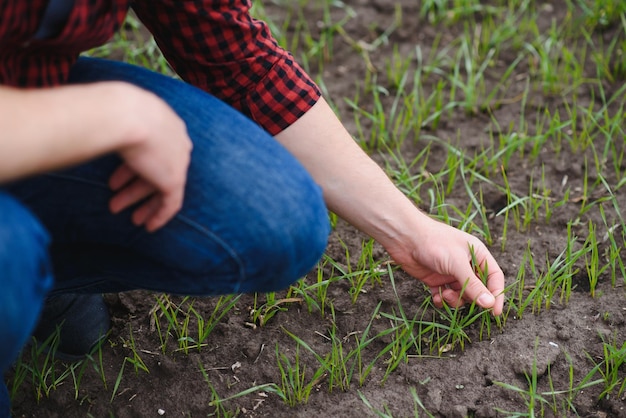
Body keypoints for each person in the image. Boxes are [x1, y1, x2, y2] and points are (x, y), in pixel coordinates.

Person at [0, 1, 505, 416]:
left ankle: (48, 270)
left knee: (275, 216)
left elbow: (238, 61)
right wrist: (114, 116)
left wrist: (411, 230)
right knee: (9, 251)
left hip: (32, 110)